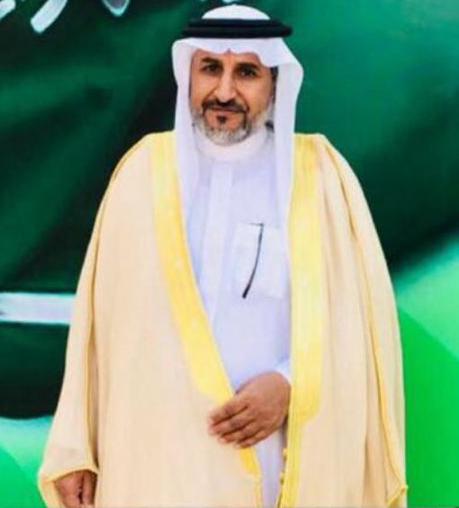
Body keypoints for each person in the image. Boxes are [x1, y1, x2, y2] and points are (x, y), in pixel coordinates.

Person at [38, 5, 407, 508]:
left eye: (247, 72)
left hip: (273, 454)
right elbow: (96, 332)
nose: (225, 91)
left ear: (274, 83)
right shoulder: (141, 173)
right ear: (188, 74)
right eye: (211, 68)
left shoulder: (319, 178)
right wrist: (76, 450)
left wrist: (291, 385)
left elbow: (358, 325)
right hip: (153, 457)